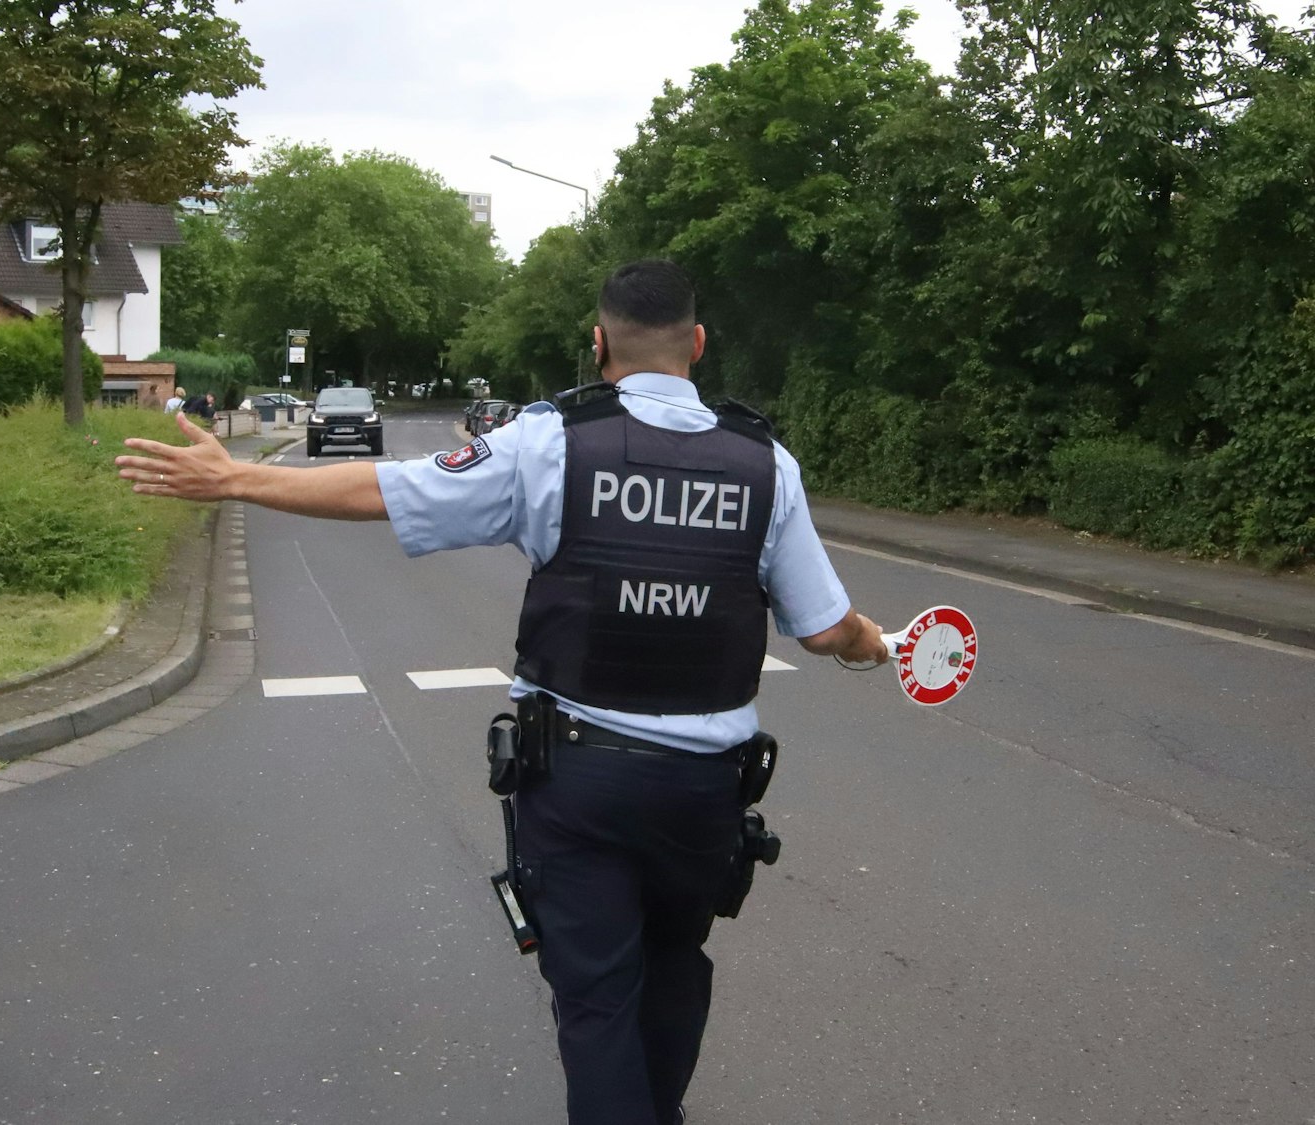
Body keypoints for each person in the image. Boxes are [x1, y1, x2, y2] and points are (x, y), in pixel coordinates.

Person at [114, 260, 888, 1125]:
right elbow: (826, 628)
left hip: (581, 784)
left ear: (597, 343)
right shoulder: (765, 462)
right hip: (701, 797)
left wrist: (237, 478)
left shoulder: (549, 440)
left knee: (596, 999)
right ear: (699, 345)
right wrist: (881, 645)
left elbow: (388, 488)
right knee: (674, 967)